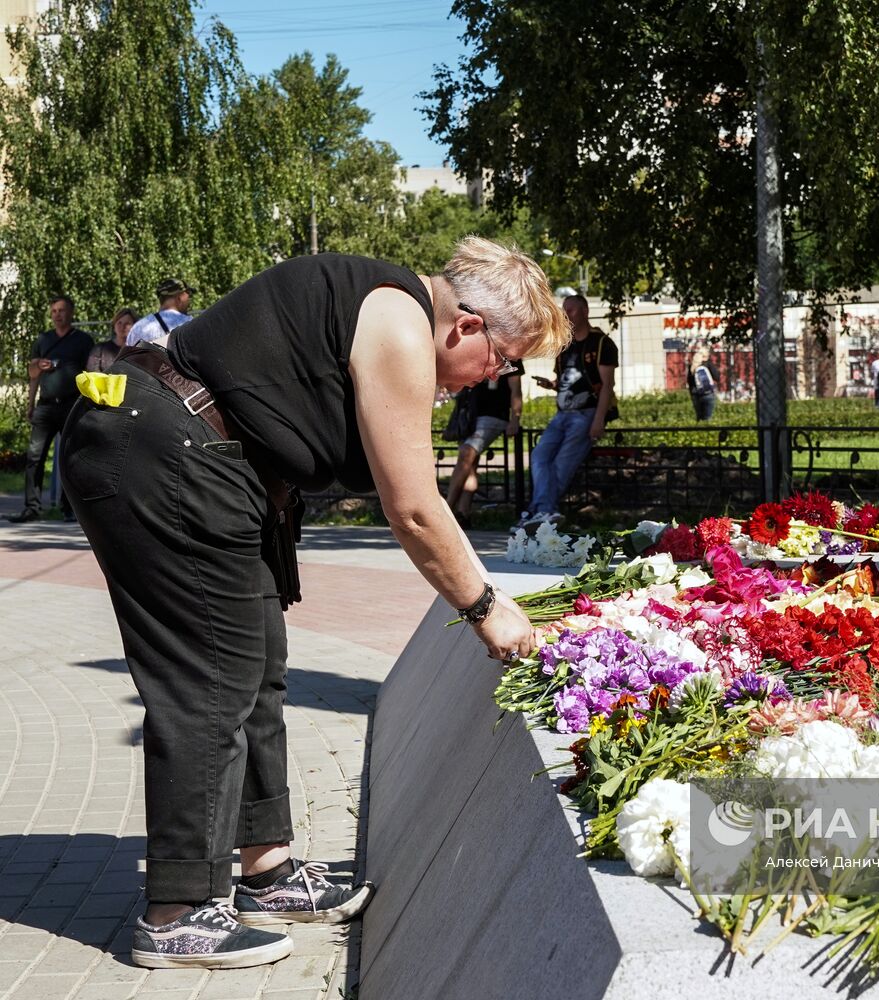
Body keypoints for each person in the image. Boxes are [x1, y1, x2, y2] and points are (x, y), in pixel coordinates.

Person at [59, 240, 568, 970]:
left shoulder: (388, 308)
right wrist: (489, 607)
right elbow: (415, 508)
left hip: (199, 460)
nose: (496, 377)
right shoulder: (399, 320)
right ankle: (176, 912)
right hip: (164, 454)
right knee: (208, 681)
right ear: (469, 326)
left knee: (255, 667)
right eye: (505, 359)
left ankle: (265, 868)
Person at [520, 294, 617, 526]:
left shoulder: (602, 343)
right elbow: (567, 382)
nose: (566, 315)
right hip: (562, 413)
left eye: (571, 310)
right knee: (539, 455)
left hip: (587, 413)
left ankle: (538, 512)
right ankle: (544, 511)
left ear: (585, 312)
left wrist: (599, 420)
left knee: (561, 464)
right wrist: (552, 385)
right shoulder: (565, 346)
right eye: (564, 310)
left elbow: (607, 386)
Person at [8, 295, 94, 524]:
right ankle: (32, 508)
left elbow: (91, 373)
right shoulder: (43, 339)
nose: (58, 314)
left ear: (72, 312)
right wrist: (30, 404)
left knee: (69, 458)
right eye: (54, 310)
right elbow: (32, 375)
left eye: (62, 310)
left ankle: (69, 508)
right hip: (45, 406)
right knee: (34, 458)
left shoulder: (83, 340)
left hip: (72, 405)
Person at [445, 360, 524, 527]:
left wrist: (515, 419)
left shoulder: (511, 354)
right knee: (470, 465)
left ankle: (446, 510)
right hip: (469, 414)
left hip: (494, 414)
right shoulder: (479, 347)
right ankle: (463, 513)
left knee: (466, 453)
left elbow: (516, 389)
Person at [126, 277, 196, 346]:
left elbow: (127, 355)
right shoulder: (189, 324)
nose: (189, 300)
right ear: (181, 297)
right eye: (188, 295)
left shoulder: (138, 327)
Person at [88, 307, 138, 373]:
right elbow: (92, 373)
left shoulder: (139, 351)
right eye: (119, 323)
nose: (122, 326)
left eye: (127, 323)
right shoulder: (100, 349)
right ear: (114, 325)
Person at [686, 347, 717, 421]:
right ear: (705, 356)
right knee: (707, 418)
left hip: (695, 395)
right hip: (708, 394)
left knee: (699, 418)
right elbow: (716, 376)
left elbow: (689, 382)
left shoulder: (692, 365)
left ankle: (698, 432)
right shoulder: (707, 364)